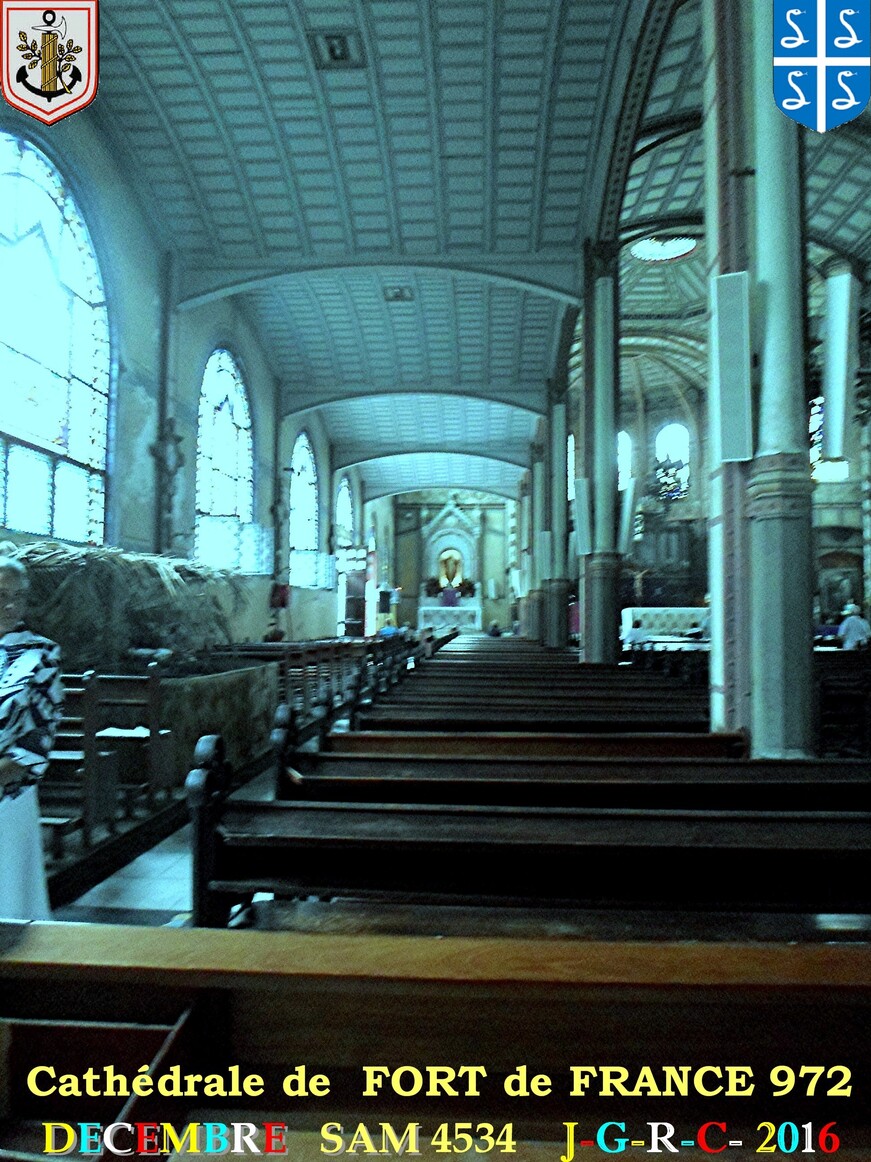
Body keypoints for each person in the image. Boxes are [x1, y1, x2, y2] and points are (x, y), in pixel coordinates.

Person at [0, 556, 64, 920]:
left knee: (8, 904)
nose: (10, 605)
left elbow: (39, 735)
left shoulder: (40, 653)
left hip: (7, 798)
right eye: (1, 594)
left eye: (19, 597)